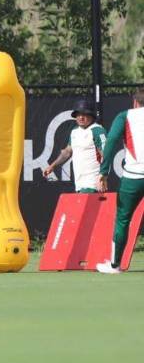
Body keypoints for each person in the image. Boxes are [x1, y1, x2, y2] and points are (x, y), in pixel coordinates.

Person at [95, 90, 144, 274]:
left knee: (123, 219)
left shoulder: (125, 116)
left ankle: (115, 265)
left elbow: (110, 143)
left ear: (135, 102)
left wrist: (103, 172)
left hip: (133, 178)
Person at [42, 98, 105, 192]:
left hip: (93, 184)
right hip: (79, 184)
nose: (80, 117)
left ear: (91, 116)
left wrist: (103, 176)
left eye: (84, 114)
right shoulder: (75, 131)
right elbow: (67, 151)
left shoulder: (97, 131)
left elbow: (105, 155)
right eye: (78, 114)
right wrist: (52, 166)